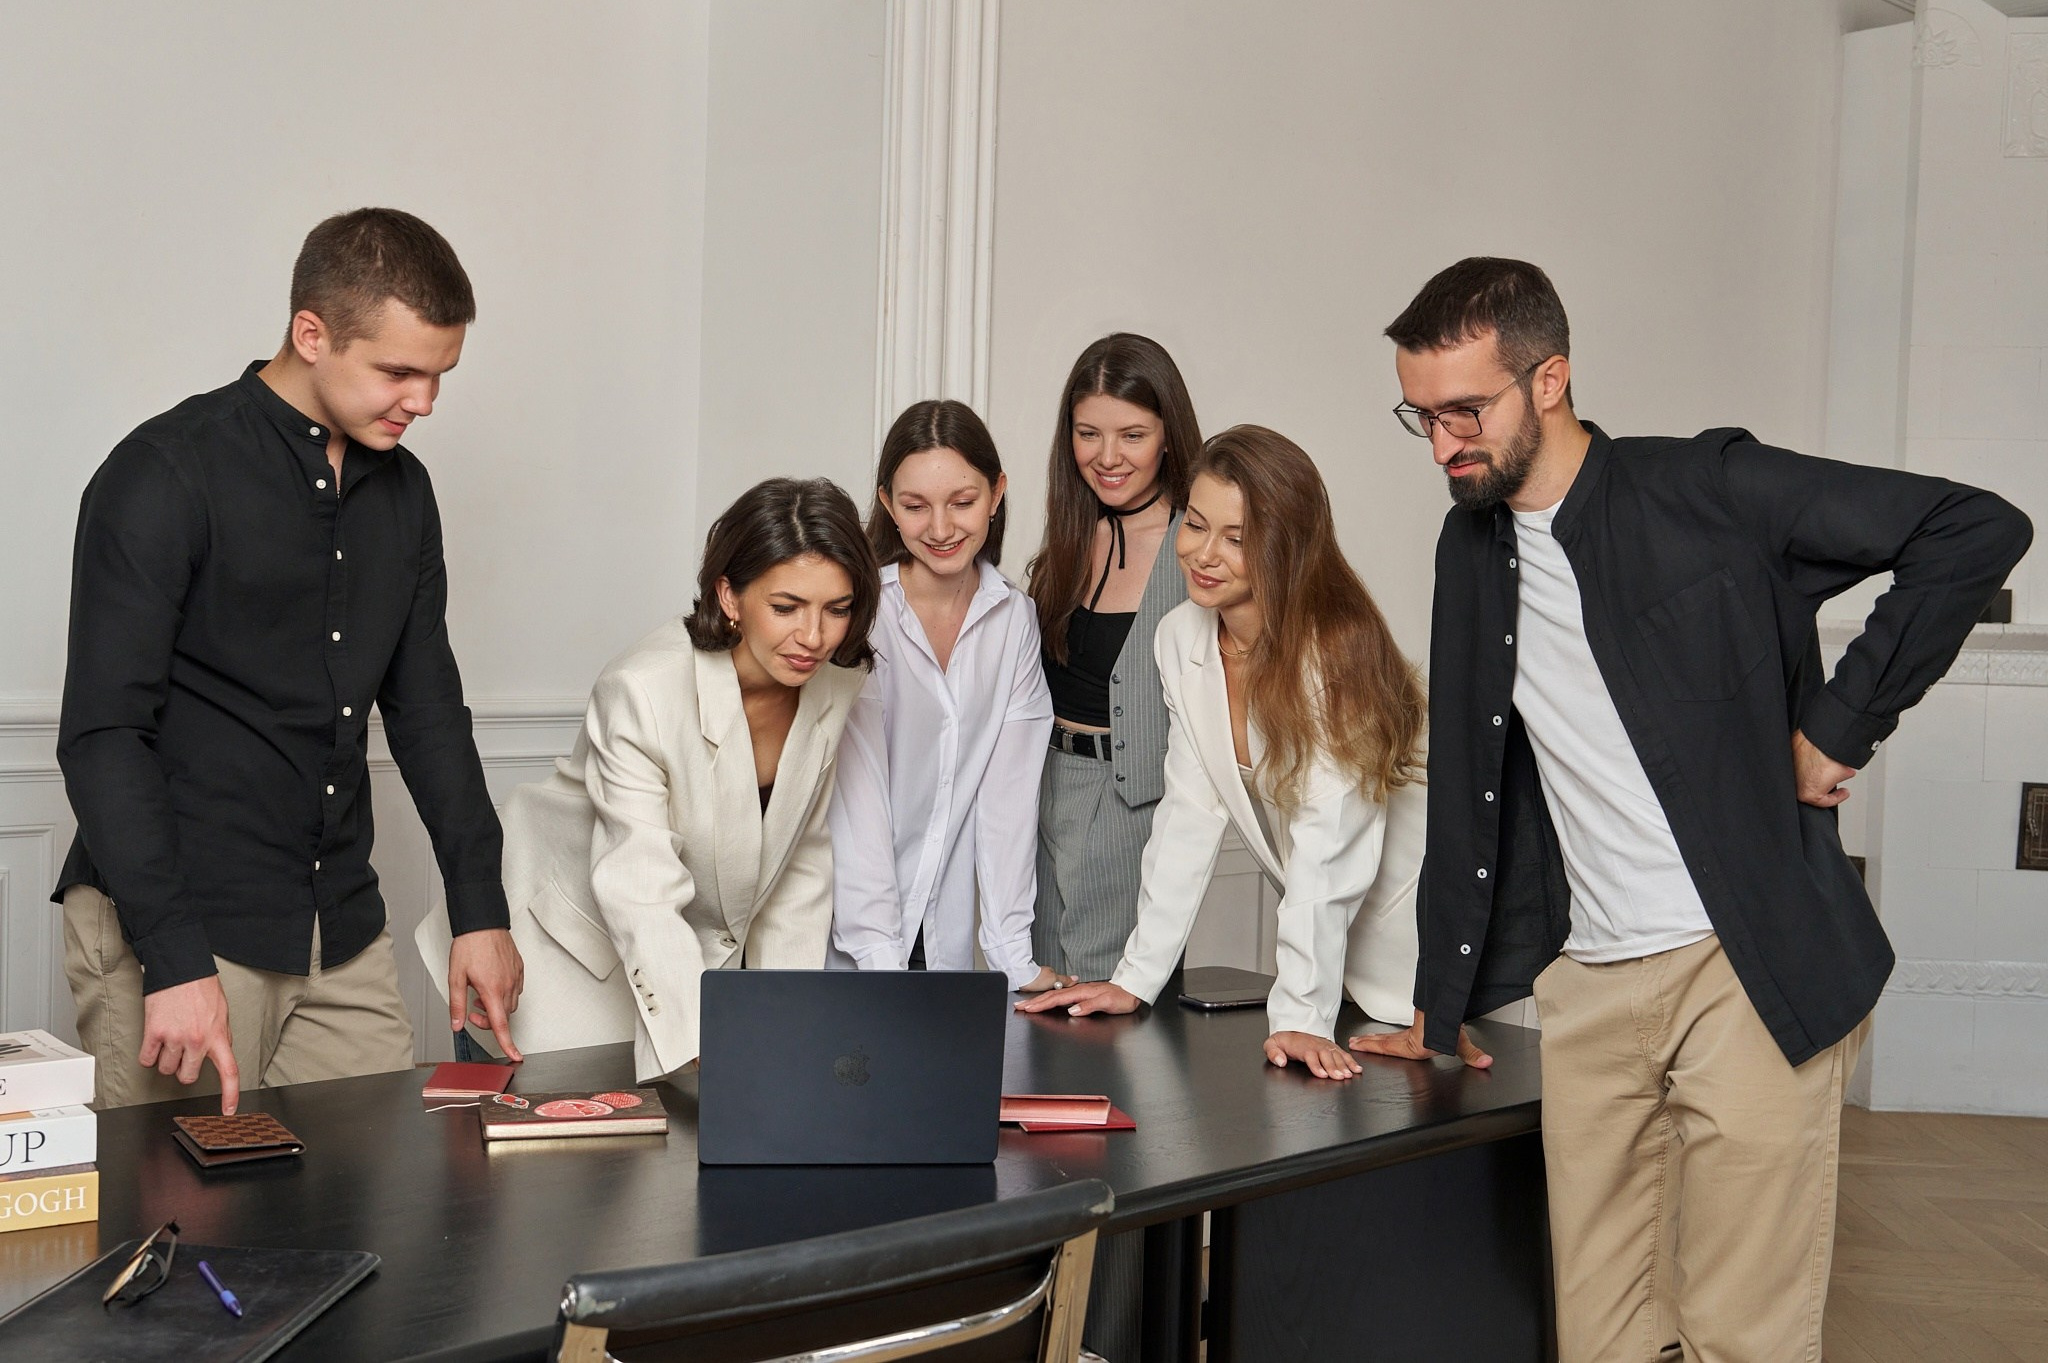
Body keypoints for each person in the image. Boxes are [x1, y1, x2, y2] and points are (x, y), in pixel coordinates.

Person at [1350, 257, 2032, 1361]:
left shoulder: (1708, 487)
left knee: (1737, 1336)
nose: (1441, 446)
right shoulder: (1467, 548)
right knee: (1599, 1339)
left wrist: (1839, 725)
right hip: (1588, 984)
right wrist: (1440, 999)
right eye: (1419, 417)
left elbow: (1974, 528)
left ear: (1549, 379)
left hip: (1743, 964)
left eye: (1464, 411)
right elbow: (1473, 779)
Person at [54, 208, 524, 1114]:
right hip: (184, 926)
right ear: (312, 334)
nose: (424, 401)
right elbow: (103, 735)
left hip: (339, 926)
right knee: (178, 1199)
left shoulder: (406, 493)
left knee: (378, 1192)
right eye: (398, 371)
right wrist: (173, 957)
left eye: (439, 375)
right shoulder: (163, 472)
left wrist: (480, 909)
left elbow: (429, 711)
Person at [420, 478, 878, 1083]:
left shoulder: (833, 683)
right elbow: (642, 886)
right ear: (730, 596)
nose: (814, 637)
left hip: (684, 971)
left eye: (837, 609)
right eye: (786, 607)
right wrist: (709, 1043)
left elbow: (799, 868)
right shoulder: (642, 689)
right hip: (558, 968)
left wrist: (784, 1030)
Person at [1019, 425, 1427, 1078]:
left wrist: (1301, 1013)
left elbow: (1328, 848)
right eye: (1196, 525)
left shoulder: (1336, 654)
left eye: (1237, 538)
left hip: (1420, 956)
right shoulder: (1181, 636)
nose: (1204, 554)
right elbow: (1187, 815)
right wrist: (1135, 978)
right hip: (1332, 966)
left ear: (1285, 547)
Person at [827, 400, 1067, 992]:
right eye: (915, 506)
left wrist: (1012, 956)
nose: (940, 529)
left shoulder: (1015, 620)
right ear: (887, 504)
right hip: (845, 939)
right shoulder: (856, 615)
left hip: (944, 941)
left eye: (962, 502)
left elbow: (1009, 799)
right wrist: (879, 963)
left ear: (996, 493)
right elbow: (857, 801)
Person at [1027, 333, 1204, 984]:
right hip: (1045, 793)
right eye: (1088, 434)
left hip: (1134, 804)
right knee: (1037, 993)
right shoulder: (1071, 534)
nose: (1107, 457)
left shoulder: (1197, 547)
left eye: (1132, 435)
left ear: (1168, 436)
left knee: (1109, 1002)